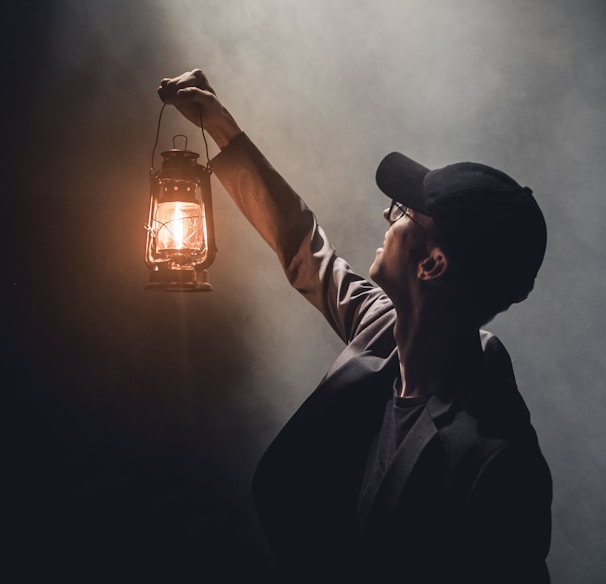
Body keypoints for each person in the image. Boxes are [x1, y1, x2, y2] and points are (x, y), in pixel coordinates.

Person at [158, 69, 552, 583]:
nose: (388, 217)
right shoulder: (384, 328)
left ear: (432, 265)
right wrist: (221, 128)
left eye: (404, 212)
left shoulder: (499, 466)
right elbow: (305, 247)